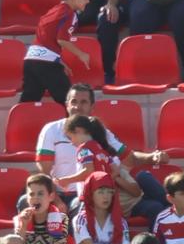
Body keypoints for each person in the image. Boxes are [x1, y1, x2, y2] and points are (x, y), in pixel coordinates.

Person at [33, 83, 169, 207]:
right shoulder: (51, 130)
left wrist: (153, 157)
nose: (77, 107)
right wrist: (57, 201)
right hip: (59, 193)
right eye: (73, 102)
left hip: (92, 194)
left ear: (92, 107)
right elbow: (44, 172)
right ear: (67, 105)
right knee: (25, 201)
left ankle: (175, 213)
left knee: (150, 194)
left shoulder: (100, 131)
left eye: (83, 102)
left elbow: (129, 158)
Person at [21, 0, 92, 106]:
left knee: (28, 102)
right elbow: (62, 40)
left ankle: (19, 118)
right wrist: (81, 54)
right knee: (71, 102)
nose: (88, 1)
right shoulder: (70, 14)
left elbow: (45, 39)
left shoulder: (53, 11)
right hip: (47, 63)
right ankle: (76, 121)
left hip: (30, 60)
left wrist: (59, 61)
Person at [70, 171, 130, 244]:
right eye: (100, 192)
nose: (106, 196)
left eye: (109, 192)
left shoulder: (121, 222)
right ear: (91, 194)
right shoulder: (80, 219)